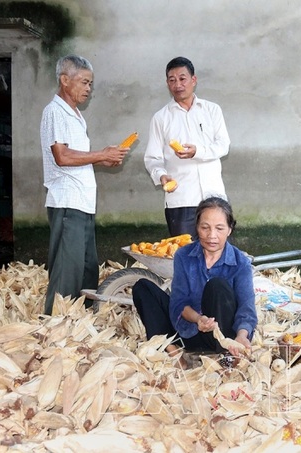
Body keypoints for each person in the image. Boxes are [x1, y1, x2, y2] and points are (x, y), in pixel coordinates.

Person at [40, 55, 129, 315]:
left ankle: (84, 317)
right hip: (67, 202)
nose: (88, 89)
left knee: (87, 266)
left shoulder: (74, 114)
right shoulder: (55, 111)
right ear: (64, 80)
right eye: (84, 82)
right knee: (67, 269)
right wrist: (101, 155)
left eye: (90, 84)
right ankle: (55, 323)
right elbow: (62, 156)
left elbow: (76, 157)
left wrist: (103, 159)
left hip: (81, 202)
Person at [132, 196, 257, 357]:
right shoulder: (184, 255)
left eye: (219, 228)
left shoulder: (240, 262)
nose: (212, 235)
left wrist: (241, 336)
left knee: (216, 285)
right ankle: (173, 350)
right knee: (143, 287)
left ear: (229, 229)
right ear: (197, 227)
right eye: (205, 227)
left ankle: (222, 353)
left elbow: (247, 308)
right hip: (188, 333)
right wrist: (199, 319)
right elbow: (179, 302)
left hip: (222, 338)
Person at [144, 56, 230, 239]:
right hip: (181, 200)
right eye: (172, 80)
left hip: (214, 197)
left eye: (182, 78)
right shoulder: (161, 118)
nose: (178, 85)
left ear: (194, 80)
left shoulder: (212, 110)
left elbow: (223, 145)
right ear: (167, 83)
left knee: (218, 256)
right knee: (185, 257)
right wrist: (161, 176)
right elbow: (152, 159)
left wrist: (197, 152)